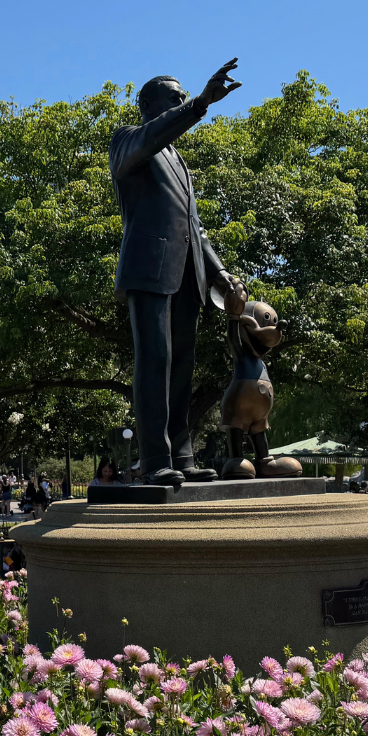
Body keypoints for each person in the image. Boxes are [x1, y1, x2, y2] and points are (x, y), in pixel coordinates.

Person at [110, 60, 248, 485]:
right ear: (148, 105)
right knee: (155, 360)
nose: (181, 101)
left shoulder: (179, 161)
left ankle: (182, 457)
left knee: (181, 367)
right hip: (148, 268)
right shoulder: (128, 141)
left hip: (188, 274)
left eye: (184, 97)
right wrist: (201, 103)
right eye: (174, 98)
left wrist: (219, 272)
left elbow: (194, 226)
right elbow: (152, 136)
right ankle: (155, 460)